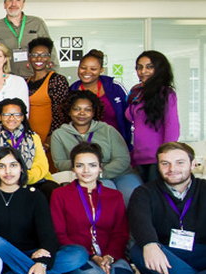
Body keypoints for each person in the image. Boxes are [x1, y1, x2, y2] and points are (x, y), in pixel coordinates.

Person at [0, 147, 88, 274]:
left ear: (21, 168)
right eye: (1, 166)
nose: (8, 171)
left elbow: (47, 234)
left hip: (29, 254)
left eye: (13, 165)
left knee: (79, 253)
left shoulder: (35, 196)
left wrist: (42, 263)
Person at [50, 143, 135, 274]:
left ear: (100, 168)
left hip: (111, 256)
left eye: (92, 165)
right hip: (81, 256)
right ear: (73, 168)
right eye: (80, 165)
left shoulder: (115, 196)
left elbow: (121, 233)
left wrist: (109, 256)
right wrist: (92, 256)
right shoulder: (60, 194)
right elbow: (59, 234)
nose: (86, 170)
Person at [127, 142, 206, 274]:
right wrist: (149, 244)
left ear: (193, 164)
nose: (172, 169)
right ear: (158, 166)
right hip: (167, 258)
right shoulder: (144, 192)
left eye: (180, 162)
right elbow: (139, 221)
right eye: (165, 163)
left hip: (201, 253)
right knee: (139, 250)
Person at [50, 91, 141, 204]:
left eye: (87, 109)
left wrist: (101, 172)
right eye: (77, 109)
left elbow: (123, 159)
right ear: (69, 111)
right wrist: (87, 168)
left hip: (121, 174)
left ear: (94, 112)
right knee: (106, 194)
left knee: (134, 195)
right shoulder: (59, 134)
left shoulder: (108, 130)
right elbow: (60, 162)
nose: (82, 113)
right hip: (85, 176)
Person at [0, 98, 58, 200]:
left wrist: (22, 178)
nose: (11, 118)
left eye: (17, 115)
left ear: (22, 117)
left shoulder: (33, 137)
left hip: (34, 180)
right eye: (6, 114)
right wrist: (9, 177)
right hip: (4, 180)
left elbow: (41, 165)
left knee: (53, 190)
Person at [128, 51, 181, 183]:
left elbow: (172, 125)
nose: (143, 71)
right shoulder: (138, 93)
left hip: (157, 158)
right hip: (139, 157)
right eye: (139, 67)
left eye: (149, 67)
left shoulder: (166, 93)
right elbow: (131, 117)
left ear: (159, 69)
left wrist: (166, 156)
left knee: (155, 194)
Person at [0, 0, 54, 77]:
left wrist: (53, 75)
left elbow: (50, 51)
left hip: (35, 78)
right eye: (10, 1)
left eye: (18, 1)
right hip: (6, 79)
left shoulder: (37, 23)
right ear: (4, 5)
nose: (13, 4)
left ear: (23, 4)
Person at [69, 49, 132, 145]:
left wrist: (127, 144)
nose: (87, 72)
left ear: (101, 70)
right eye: (83, 68)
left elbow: (129, 116)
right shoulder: (71, 91)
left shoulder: (115, 88)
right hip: (82, 147)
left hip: (114, 144)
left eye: (93, 69)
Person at [25, 37, 70, 147]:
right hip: (29, 139)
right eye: (34, 55)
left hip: (50, 139)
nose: (39, 58)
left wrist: (50, 140)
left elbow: (60, 114)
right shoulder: (25, 82)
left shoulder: (57, 80)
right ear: (29, 57)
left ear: (49, 57)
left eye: (44, 55)